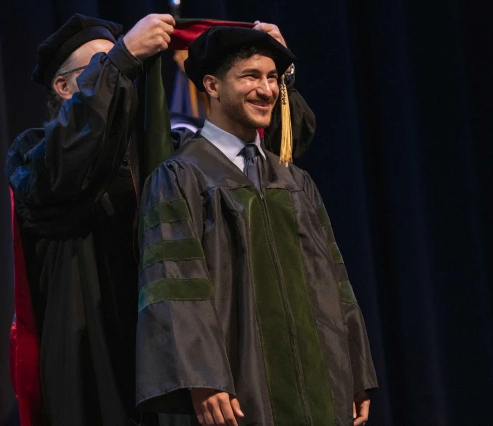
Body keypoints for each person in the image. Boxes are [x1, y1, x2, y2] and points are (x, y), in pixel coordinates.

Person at [5, 13, 316, 426]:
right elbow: (74, 158)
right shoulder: (36, 153)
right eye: (103, 64)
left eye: (121, 65)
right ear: (63, 87)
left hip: (171, 355)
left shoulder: (167, 153)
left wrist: (274, 72)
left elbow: (264, 160)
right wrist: (124, 57)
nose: (120, 73)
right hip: (90, 352)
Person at [135, 27, 378, 426]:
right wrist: (202, 378)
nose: (266, 90)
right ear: (212, 86)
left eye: (272, 78)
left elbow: (334, 280)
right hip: (233, 390)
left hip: (319, 384)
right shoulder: (180, 177)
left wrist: (356, 369)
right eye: (250, 76)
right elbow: (175, 282)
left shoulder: (294, 181)